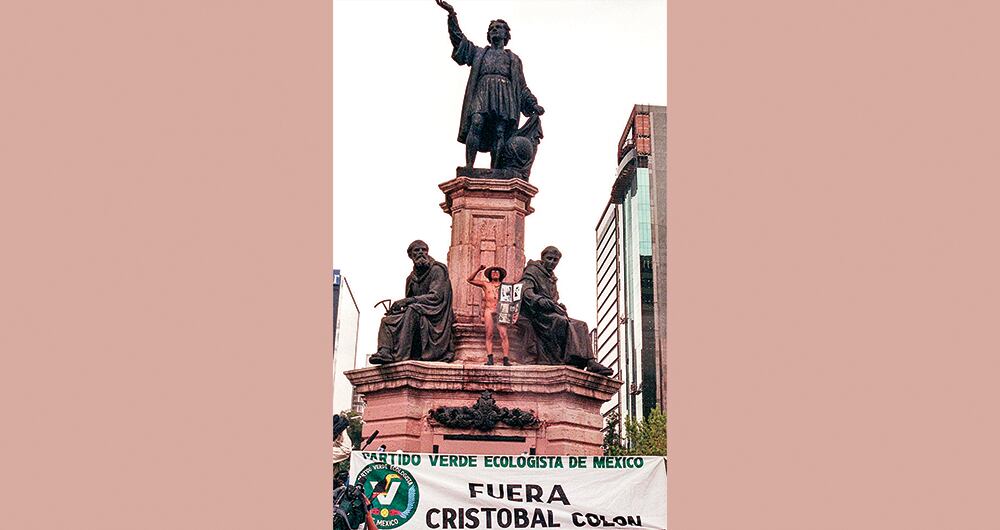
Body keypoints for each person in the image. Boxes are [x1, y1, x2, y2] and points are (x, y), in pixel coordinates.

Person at [436, 0, 544, 169]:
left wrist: (533, 104)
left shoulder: (513, 59)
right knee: (477, 122)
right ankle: (469, 167)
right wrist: (451, 15)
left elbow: (522, 88)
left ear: (506, 35)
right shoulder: (479, 53)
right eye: (492, 27)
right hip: (483, 92)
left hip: (505, 96)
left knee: (499, 132)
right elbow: (460, 42)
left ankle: (495, 170)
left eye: (498, 27)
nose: (494, 29)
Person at [520, 246, 614, 376]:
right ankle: (561, 359)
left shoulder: (551, 277)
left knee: (581, 324)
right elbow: (526, 291)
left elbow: (554, 298)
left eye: (555, 260)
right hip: (538, 314)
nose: (552, 262)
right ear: (543, 258)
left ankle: (590, 361)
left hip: (551, 311)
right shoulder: (533, 270)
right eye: (549, 258)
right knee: (560, 321)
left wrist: (559, 305)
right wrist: (539, 299)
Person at [370, 240, 456, 365]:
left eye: (423, 250)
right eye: (417, 250)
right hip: (420, 312)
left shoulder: (437, 270)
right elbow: (409, 303)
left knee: (412, 310)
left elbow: (436, 297)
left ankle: (401, 356)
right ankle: (385, 352)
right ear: (410, 255)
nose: (421, 252)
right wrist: (397, 310)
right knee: (387, 320)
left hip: (436, 314)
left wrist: (408, 302)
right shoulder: (411, 278)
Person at [467, 264, 511, 366]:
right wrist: (478, 269)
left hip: (501, 311)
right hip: (489, 310)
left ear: (500, 275)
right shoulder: (486, 284)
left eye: (497, 271)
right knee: (489, 334)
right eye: (493, 272)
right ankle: (490, 359)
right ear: (490, 275)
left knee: (504, 334)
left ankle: (506, 359)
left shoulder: (506, 286)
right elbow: (469, 280)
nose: (495, 273)